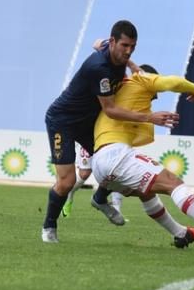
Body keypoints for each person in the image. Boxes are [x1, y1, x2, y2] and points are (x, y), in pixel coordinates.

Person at [40, 20, 177, 243]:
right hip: (62, 121)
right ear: (113, 42)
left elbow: (97, 42)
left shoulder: (112, 52)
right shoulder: (99, 69)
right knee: (67, 182)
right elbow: (111, 110)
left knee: (113, 160)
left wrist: (132, 65)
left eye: (132, 46)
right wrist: (150, 117)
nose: (128, 50)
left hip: (87, 122)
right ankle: (49, 227)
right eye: (124, 46)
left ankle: (100, 198)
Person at [89, 63, 194, 246]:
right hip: (116, 155)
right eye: (154, 94)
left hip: (100, 166)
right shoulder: (141, 80)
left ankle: (181, 233)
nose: (154, 98)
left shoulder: (121, 89)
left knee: (145, 192)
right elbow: (174, 82)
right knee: (173, 183)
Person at [61, 142, 122, 218]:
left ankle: (117, 208)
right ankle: (69, 192)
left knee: (115, 170)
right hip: (90, 138)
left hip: (108, 138)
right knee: (84, 173)